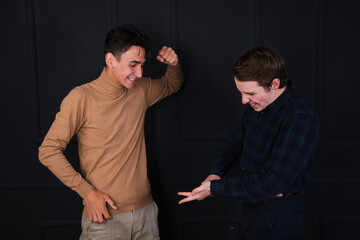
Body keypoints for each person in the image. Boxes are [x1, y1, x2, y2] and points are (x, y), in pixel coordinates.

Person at [39, 24, 183, 240]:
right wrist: (86, 192)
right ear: (110, 60)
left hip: (146, 214)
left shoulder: (140, 89)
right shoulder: (81, 97)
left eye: (142, 65)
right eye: (133, 65)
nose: (140, 73)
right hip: (105, 219)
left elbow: (173, 84)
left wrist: (174, 65)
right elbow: (48, 150)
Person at [178, 47, 319, 240]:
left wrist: (215, 188)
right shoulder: (259, 106)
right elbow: (234, 143)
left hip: (277, 216)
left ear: (274, 84)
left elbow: (271, 182)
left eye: (250, 93)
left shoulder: (300, 117)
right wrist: (214, 174)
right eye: (242, 93)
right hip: (250, 210)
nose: (244, 100)